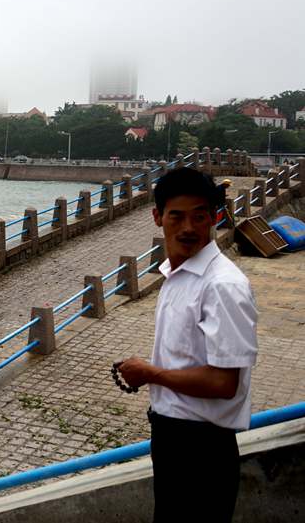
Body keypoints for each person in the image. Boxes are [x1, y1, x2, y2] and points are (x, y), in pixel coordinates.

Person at [116, 167, 258, 522]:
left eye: (199, 216)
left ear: (215, 217)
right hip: (174, 440)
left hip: (202, 448)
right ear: (157, 217)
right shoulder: (178, 274)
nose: (188, 228)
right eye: (176, 216)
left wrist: (150, 373)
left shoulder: (222, 285)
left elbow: (225, 383)